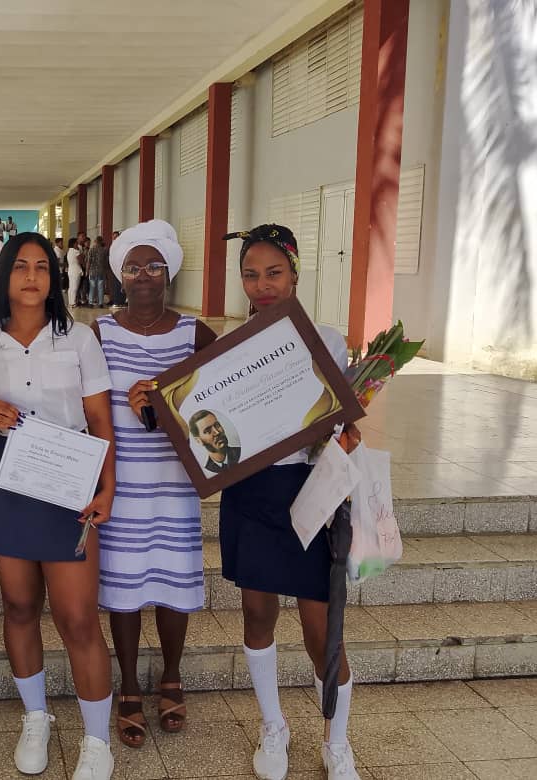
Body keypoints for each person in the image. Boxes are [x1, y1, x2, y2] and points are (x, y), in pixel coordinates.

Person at [0, 232, 117, 780]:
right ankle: (37, 716)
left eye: (42, 267)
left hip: (69, 482)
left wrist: (107, 485)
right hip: (9, 483)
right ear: (3, 277)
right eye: (20, 266)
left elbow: (100, 420)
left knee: (77, 618)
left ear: (54, 277)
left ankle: (97, 741)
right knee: (20, 607)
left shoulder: (79, 340)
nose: (31, 276)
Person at [220, 223, 362, 780]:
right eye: (251, 275)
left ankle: (337, 740)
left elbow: (344, 424)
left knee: (321, 629)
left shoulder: (328, 340)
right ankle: (273, 726)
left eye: (274, 272)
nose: (262, 285)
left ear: (295, 273)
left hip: (309, 492)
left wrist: (345, 438)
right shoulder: (229, 347)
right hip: (251, 493)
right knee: (257, 614)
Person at [92, 220, 216, 750]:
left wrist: (170, 403)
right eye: (133, 267)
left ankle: (171, 675)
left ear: (169, 273)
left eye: (153, 266)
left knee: (171, 582)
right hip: (121, 483)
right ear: (120, 275)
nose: (143, 276)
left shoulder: (196, 334)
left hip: (174, 483)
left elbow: (221, 405)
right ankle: (128, 684)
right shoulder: (100, 332)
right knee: (123, 588)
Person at [86, 236, 108, 307]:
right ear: (101, 241)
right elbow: (105, 262)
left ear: (95, 241)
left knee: (92, 287)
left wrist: (87, 271)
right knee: (100, 287)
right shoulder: (104, 250)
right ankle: (100, 303)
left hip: (92, 271)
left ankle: (90, 303)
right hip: (101, 271)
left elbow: (89, 262)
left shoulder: (91, 250)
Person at [109, 231, 126, 309]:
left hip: (121, 267)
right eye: (114, 237)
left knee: (121, 284)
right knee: (116, 285)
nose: (115, 238)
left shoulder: (122, 245)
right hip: (114, 267)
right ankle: (117, 301)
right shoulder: (113, 246)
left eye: (116, 237)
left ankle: (121, 301)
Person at [66, 237, 82, 308]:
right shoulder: (76, 251)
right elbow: (80, 260)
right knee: (75, 287)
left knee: (71, 287)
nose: (77, 244)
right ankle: (73, 303)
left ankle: (70, 302)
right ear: (74, 244)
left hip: (70, 270)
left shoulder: (69, 251)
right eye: (76, 243)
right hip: (76, 270)